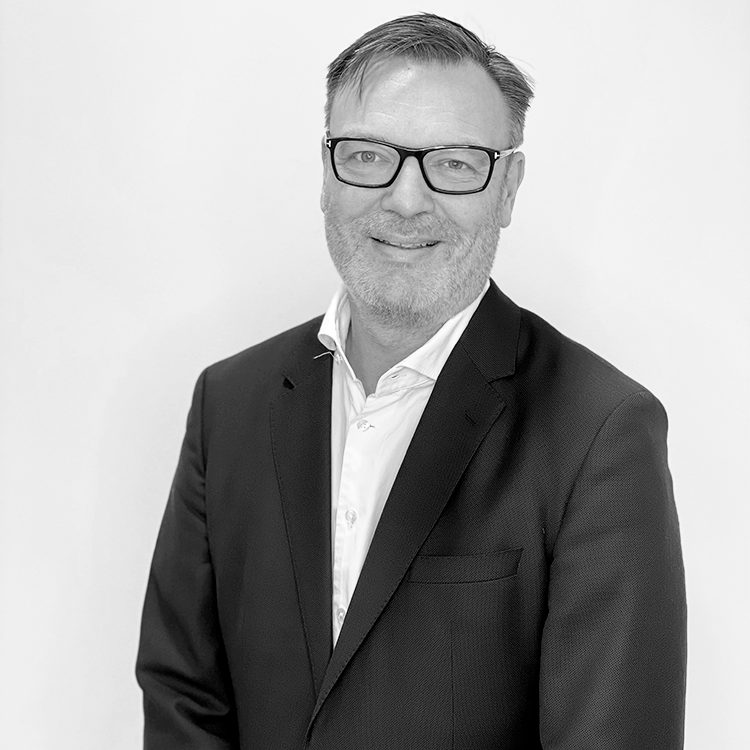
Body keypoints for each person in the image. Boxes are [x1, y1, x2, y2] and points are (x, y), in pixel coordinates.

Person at [136, 13, 687, 749]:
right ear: (327, 172)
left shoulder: (600, 431)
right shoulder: (228, 403)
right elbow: (185, 700)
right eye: (368, 155)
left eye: (454, 163)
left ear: (507, 188)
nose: (404, 199)